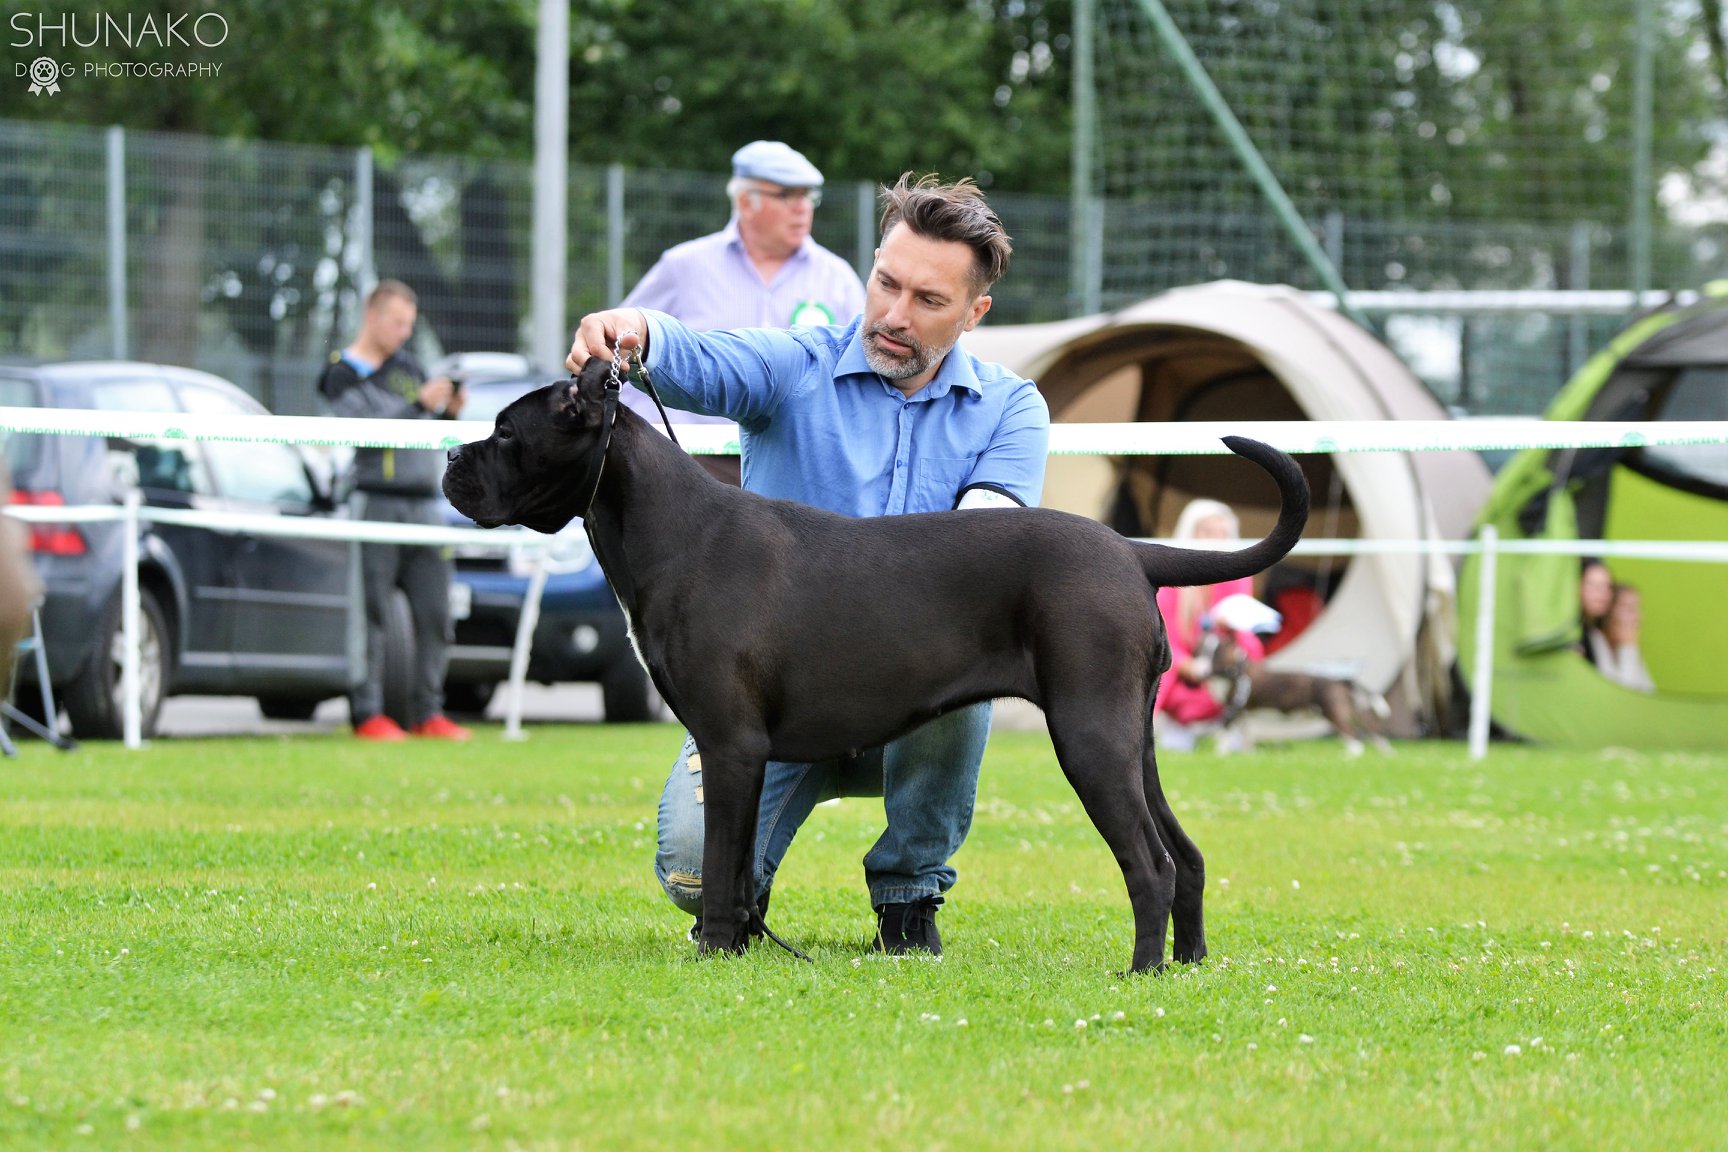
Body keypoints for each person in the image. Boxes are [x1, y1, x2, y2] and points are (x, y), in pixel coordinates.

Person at [566, 172, 1050, 957]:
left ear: (974, 311)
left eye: (928, 301)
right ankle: (737, 888)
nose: (893, 316)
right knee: (693, 874)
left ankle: (908, 893)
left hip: (913, 701)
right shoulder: (796, 364)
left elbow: (984, 553)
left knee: (968, 647)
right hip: (772, 701)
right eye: (886, 283)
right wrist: (638, 334)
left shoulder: (1011, 409)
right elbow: (707, 358)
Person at [619, 141, 868, 484]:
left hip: (796, 472)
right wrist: (645, 436)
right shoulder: (685, 267)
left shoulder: (836, 278)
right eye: (786, 195)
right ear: (743, 201)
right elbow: (621, 345)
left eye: (808, 196)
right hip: (688, 470)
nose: (802, 208)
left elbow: (864, 373)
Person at [318, 279, 473, 742]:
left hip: (425, 505)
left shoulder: (410, 367)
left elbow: (425, 428)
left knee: (436, 613)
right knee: (371, 616)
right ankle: (367, 714)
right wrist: (415, 405)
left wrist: (448, 413)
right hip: (375, 503)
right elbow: (363, 429)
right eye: (397, 322)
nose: (405, 333)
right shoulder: (340, 372)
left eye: (410, 324)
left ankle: (430, 713)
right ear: (372, 315)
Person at [1153, 499, 1267, 745]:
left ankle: (1228, 727)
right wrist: (1186, 664)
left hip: (1220, 667)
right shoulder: (1170, 581)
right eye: (1207, 531)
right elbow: (1163, 635)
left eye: (1223, 533)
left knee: (1246, 665)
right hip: (1181, 668)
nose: (1216, 539)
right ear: (1189, 532)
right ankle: (1176, 726)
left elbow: (1248, 639)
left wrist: (1233, 631)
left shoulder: (1237, 579)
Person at [1589, 581, 1656, 693]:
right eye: (1627, 608)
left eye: (1637, 608)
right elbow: (1621, 696)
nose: (1637, 617)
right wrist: (1628, 648)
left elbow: (1649, 693)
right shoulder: (1593, 642)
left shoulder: (1626, 647)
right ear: (1607, 611)